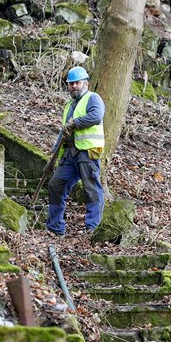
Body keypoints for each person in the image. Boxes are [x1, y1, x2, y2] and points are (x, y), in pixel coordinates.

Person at [46, 66, 105, 236]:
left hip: (87, 152)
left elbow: (96, 116)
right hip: (69, 154)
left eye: (77, 83)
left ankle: (93, 227)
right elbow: (64, 131)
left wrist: (75, 123)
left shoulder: (93, 98)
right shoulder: (69, 105)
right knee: (56, 185)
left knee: (91, 189)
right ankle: (55, 227)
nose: (73, 86)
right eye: (70, 83)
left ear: (85, 83)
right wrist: (53, 155)